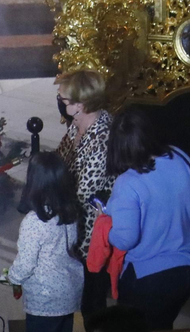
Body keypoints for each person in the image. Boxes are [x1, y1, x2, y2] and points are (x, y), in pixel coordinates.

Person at [104, 105, 190, 328]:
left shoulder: (128, 182)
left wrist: (106, 231)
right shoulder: (180, 156)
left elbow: (126, 239)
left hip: (151, 277)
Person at [57, 68, 115, 316]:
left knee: (91, 299)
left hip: (93, 231)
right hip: (72, 220)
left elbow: (84, 191)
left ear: (80, 104)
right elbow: (61, 159)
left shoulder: (103, 137)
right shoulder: (76, 125)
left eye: (63, 99)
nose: (59, 102)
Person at [11, 151, 86, 332]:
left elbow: (26, 263)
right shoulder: (69, 212)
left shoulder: (34, 221)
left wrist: (13, 277)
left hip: (45, 300)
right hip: (68, 291)